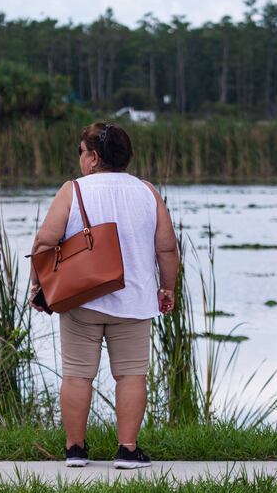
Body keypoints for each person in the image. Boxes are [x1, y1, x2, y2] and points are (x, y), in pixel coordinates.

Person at [30, 122, 179, 469]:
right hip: (134, 299)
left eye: (81, 152)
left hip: (82, 298)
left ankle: (76, 450)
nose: (80, 159)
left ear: (94, 158)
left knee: (78, 374)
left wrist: (39, 286)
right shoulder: (147, 192)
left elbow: (44, 242)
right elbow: (167, 248)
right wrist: (166, 287)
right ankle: (127, 450)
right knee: (130, 375)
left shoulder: (74, 190)